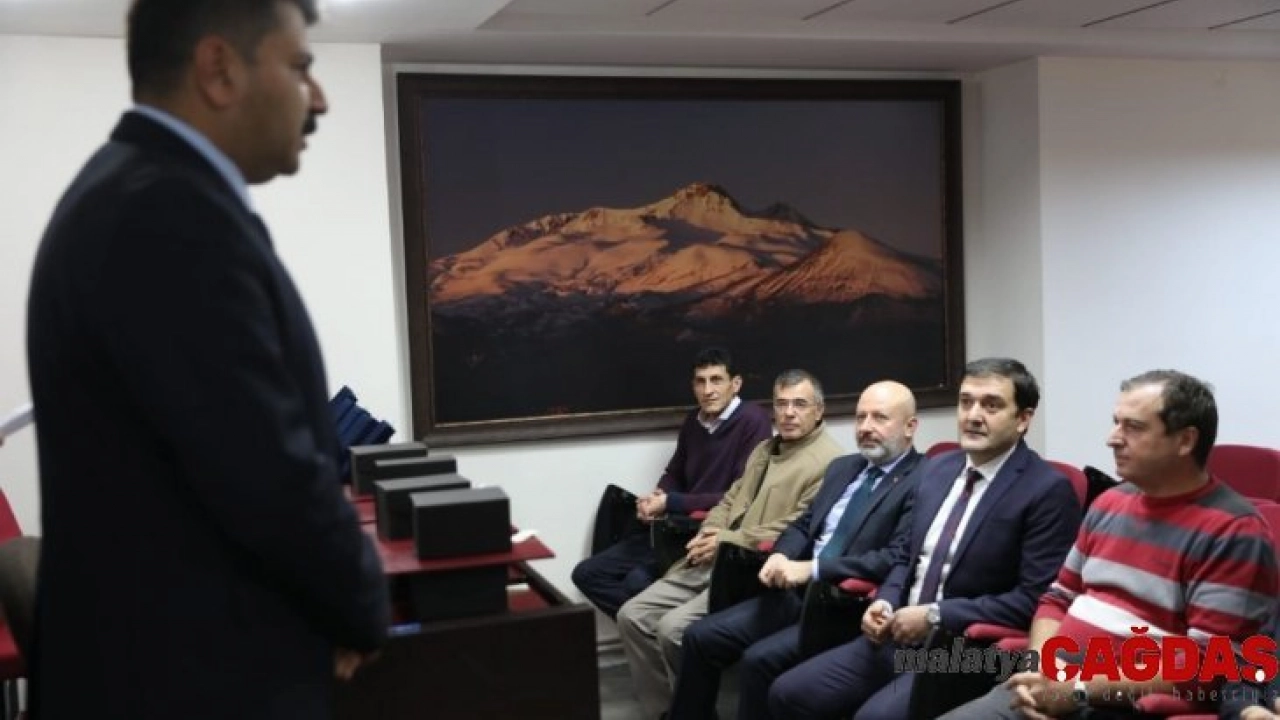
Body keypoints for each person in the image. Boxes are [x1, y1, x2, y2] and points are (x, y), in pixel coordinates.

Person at [24, 1, 389, 718]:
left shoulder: (130, 189)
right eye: (300, 67)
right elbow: (266, 469)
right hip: (193, 682)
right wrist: (356, 606)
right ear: (219, 70)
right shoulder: (168, 214)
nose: (318, 98)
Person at [941, 370, 1278, 720]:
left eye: (1133, 427)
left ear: (1185, 440)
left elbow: (1210, 664)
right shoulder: (1109, 503)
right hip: (1050, 685)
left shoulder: (1234, 532)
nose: (1112, 439)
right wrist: (1040, 668)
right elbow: (1058, 599)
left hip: (1115, 704)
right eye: (1116, 423)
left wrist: (1081, 688)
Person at [766, 357, 1081, 720]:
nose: (974, 415)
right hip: (896, 635)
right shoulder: (937, 469)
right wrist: (885, 601)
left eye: (991, 405)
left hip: (960, 650)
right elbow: (906, 558)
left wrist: (934, 615)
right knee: (787, 693)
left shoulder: (1046, 490)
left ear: (1023, 419)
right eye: (966, 402)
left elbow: (1033, 599)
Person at [669, 380, 925, 720]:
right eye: (860, 417)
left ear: (910, 427)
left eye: (880, 418)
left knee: (758, 661)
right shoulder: (843, 467)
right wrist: (780, 554)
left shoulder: (923, 479)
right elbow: (803, 525)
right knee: (699, 637)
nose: (866, 427)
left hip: (841, 606)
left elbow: (893, 557)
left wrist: (813, 568)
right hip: (792, 593)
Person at [617, 369, 843, 718]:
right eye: (781, 404)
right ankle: (668, 711)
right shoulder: (764, 449)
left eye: (799, 404)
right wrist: (710, 530)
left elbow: (796, 527)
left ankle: (691, 711)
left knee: (672, 630)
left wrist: (726, 539)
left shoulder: (830, 463)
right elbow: (730, 498)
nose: (788, 413)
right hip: (715, 557)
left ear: (819, 410)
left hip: (749, 568)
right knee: (632, 616)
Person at [573, 347, 772, 619]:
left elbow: (738, 495)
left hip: (704, 533)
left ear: (735, 384)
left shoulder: (753, 420)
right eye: (701, 382)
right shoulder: (694, 420)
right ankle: (651, 632)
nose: (708, 390)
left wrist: (670, 501)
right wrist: (659, 494)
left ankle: (654, 631)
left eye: (716, 380)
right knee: (587, 573)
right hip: (671, 527)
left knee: (636, 583)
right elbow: (675, 472)